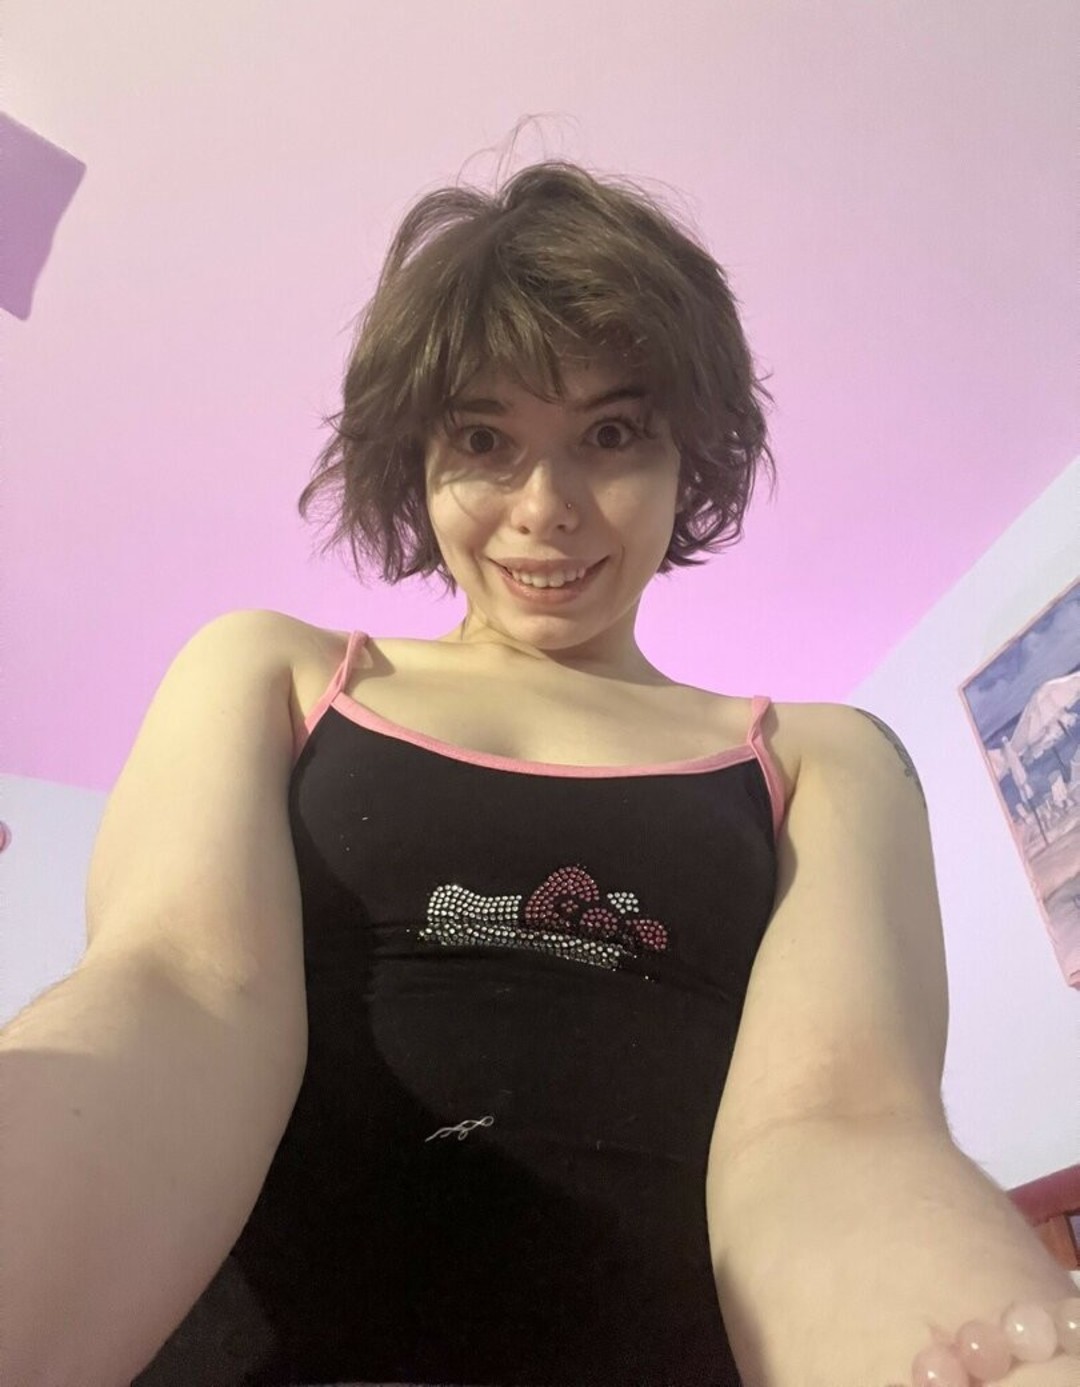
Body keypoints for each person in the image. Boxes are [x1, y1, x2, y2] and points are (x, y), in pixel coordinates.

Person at [4, 159, 1077, 1387]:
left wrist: (993, 1352)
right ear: (417, 455)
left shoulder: (821, 757)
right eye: (484, 439)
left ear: (687, 453)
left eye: (610, 434)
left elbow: (840, 1124)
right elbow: (182, 991)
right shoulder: (272, 672)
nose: (546, 506)